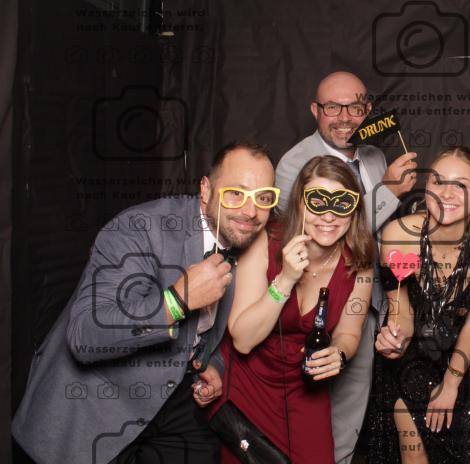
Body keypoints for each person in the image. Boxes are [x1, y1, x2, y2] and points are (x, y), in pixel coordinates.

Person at [12, 142, 277, 464]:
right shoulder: (139, 228)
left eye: (264, 198)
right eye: (236, 193)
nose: (250, 211)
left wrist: (211, 363)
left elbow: (207, 328)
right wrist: (177, 300)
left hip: (170, 400)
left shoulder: (239, 238)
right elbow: (84, 335)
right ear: (206, 190)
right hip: (93, 408)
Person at [274, 70, 416, 462]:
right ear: (314, 110)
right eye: (333, 108)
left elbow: (378, 237)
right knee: (311, 420)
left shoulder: (374, 156)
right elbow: (320, 236)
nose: (345, 118)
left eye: (355, 107)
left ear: (367, 109)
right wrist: (388, 192)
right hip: (319, 307)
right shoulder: (293, 164)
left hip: (370, 305)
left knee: (354, 420)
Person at [208, 155, 374, 463]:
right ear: (299, 203)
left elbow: (350, 332)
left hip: (305, 388)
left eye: (341, 204)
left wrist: (338, 353)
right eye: (317, 202)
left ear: (354, 210)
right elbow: (242, 340)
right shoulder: (265, 241)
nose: (328, 216)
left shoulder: (360, 261)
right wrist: (285, 280)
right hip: (249, 384)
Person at [369, 146, 470, 463]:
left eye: (461, 185)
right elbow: (401, 314)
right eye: (438, 181)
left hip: (462, 360)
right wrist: (393, 341)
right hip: (409, 363)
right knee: (414, 454)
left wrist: (451, 384)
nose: (447, 193)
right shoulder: (397, 234)